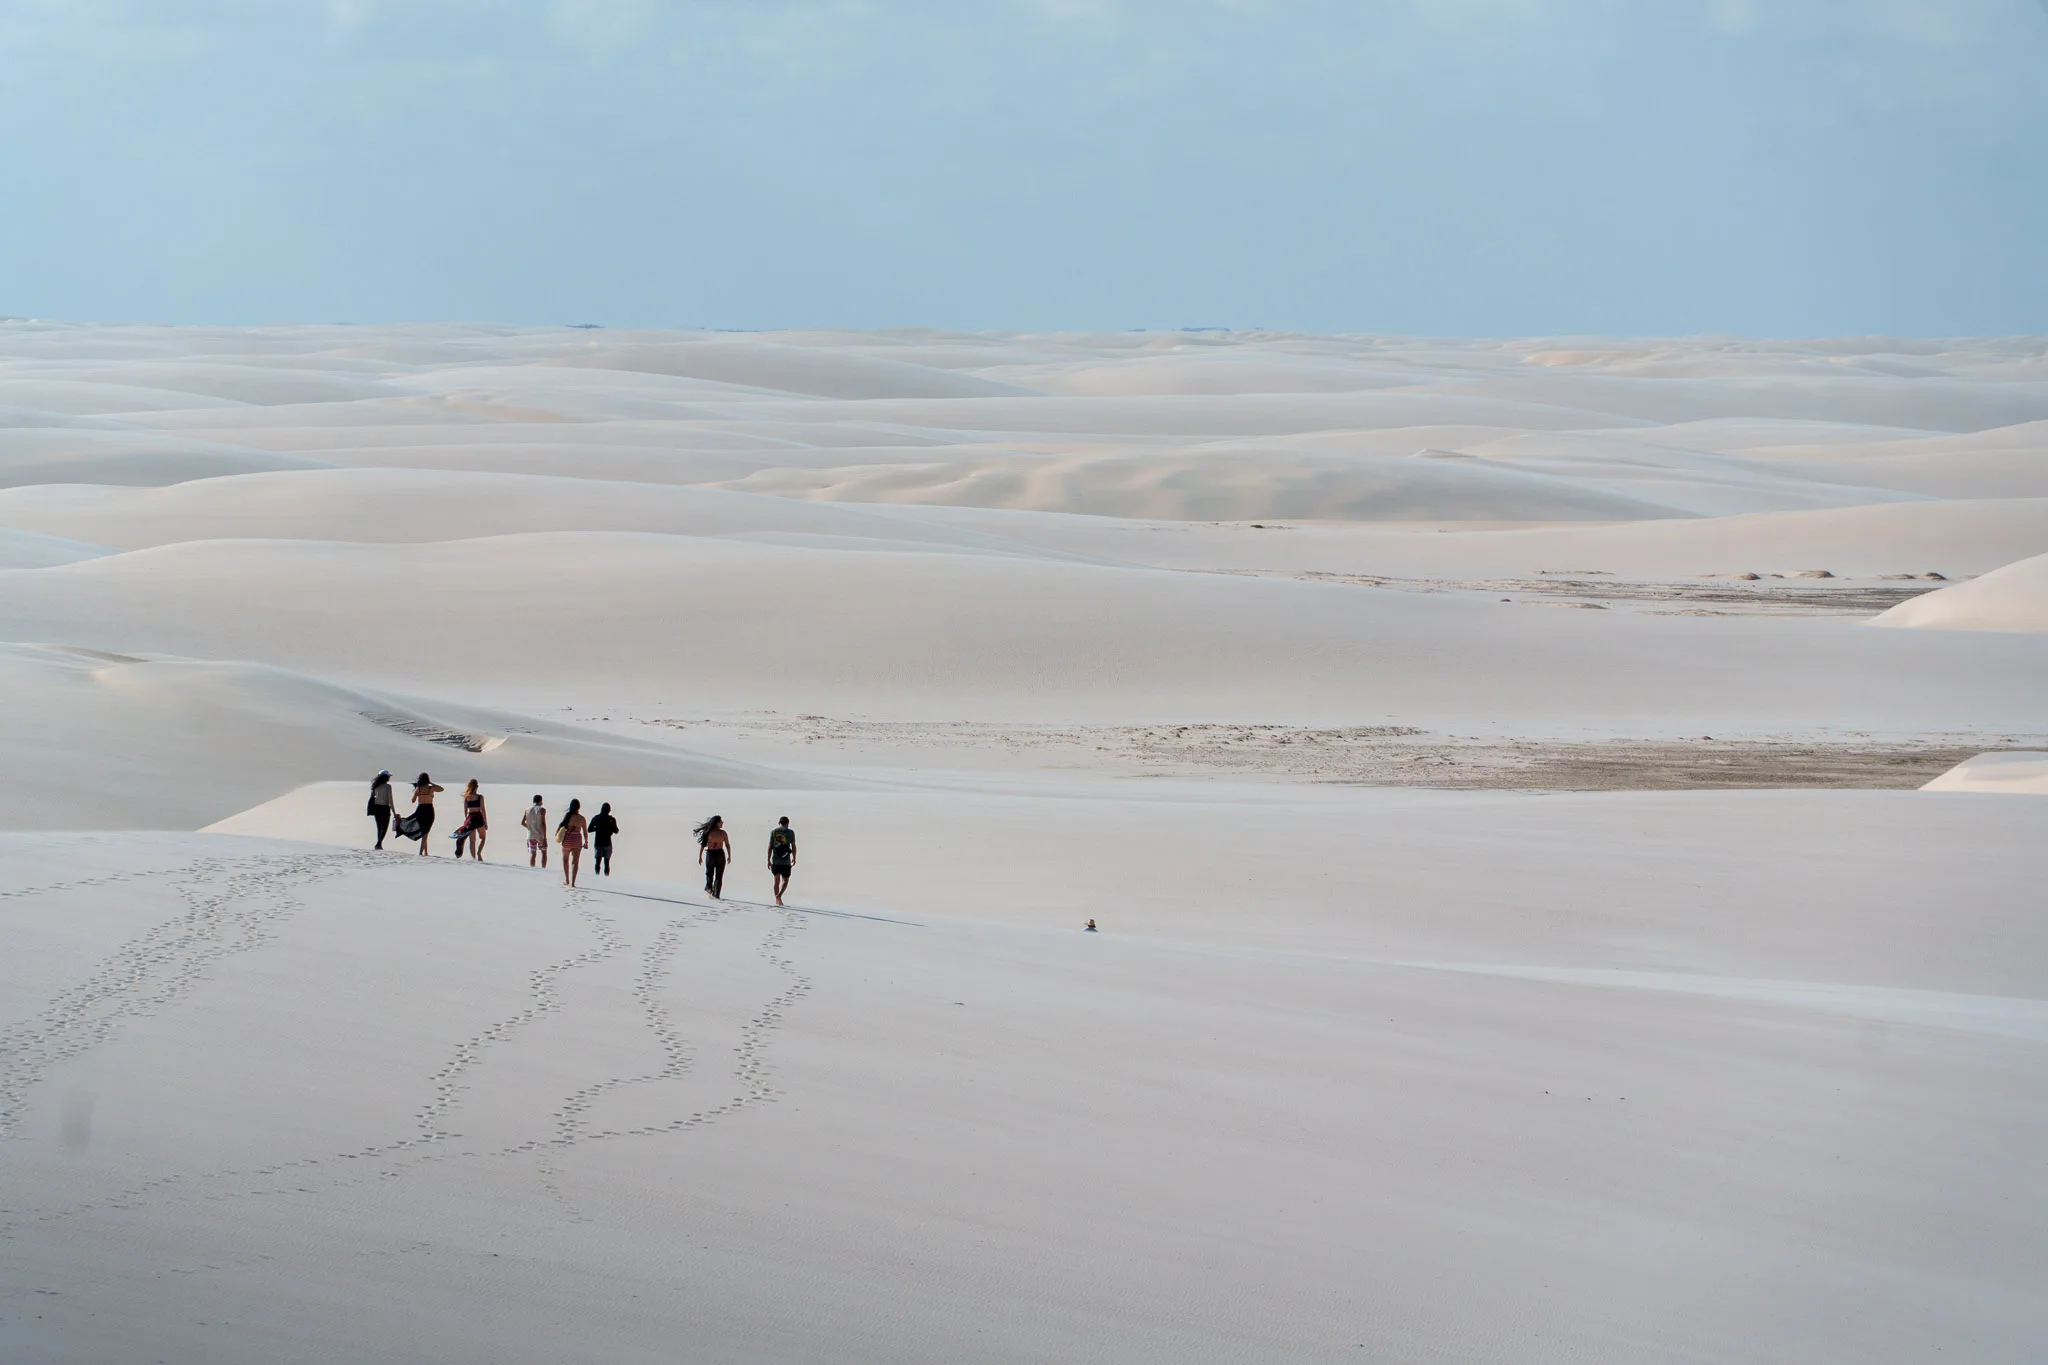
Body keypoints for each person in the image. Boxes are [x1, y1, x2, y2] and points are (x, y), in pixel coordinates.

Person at [399, 773, 443, 855]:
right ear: (427, 780)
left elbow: (413, 800)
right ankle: (420, 853)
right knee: (426, 832)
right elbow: (441, 789)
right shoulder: (431, 788)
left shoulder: (418, 789)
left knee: (424, 831)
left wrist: (417, 791)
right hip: (429, 810)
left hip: (420, 810)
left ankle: (426, 852)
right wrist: (431, 783)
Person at [695, 815, 729, 899]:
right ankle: (714, 892)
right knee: (714, 874)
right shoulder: (719, 833)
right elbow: (703, 845)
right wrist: (700, 856)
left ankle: (712, 891)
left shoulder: (712, 832)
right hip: (717, 854)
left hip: (713, 854)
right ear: (717, 823)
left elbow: (727, 845)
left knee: (713, 873)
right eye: (721, 821)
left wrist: (729, 855)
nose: (722, 823)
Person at [453, 779, 487, 860]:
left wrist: (467, 820)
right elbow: (483, 810)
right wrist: (485, 822)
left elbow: (465, 811)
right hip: (478, 817)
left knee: (472, 840)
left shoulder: (467, 797)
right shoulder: (480, 797)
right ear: (477, 787)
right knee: (483, 837)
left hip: (470, 818)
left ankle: (473, 858)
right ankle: (479, 853)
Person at [766, 816, 796, 906]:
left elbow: (770, 846)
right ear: (788, 823)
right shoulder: (788, 832)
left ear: (779, 823)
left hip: (778, 860)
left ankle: (777, 897)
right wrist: (794, 857)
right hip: (783, 861)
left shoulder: (775, 832)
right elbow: (793, 846)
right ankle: (778, 898)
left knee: (777, 881)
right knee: (784, 881)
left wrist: (768, 859)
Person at [557, 798, 586, 888]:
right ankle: (573, 883)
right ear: (579, 807)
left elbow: (561, 826)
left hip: (567, 839)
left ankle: (567, 880)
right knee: (575, 862)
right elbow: (585, 831)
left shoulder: (568, 816)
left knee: (565, 860)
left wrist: (557, 834)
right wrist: (586, 842)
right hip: (577, 839)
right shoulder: (582, 818)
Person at [588, 802, 619, 876]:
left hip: (598, 843)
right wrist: (610, 828)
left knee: (598, 862)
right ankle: (606, 877)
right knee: (607, 863)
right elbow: (616, 831)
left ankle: (597, 876)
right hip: (607, 843)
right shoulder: (611, 819)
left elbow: (589, 829)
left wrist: (597, 828)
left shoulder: (596, 818)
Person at [367, 769, 394, 849]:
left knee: (379, 827)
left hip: (377, 808)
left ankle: (379, 844)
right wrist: (394, 812)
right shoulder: (388, 786)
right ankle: (378, 844)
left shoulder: (375, 786)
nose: (389, 777)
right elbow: (390, 800)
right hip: (385, 808)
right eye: (388, 776)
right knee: (384, 828)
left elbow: (373, 797)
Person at [522, 795, 549, 869]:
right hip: (540, 835)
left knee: (533, 854)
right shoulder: (542, 810)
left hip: (531, 835)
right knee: (544, 852)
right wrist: (545, 837)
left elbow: (522, 822)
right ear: (540, 801)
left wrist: (530, 827)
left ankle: (532, 869)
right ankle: (543, 868)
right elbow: (543, 824)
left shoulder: (527, 810)